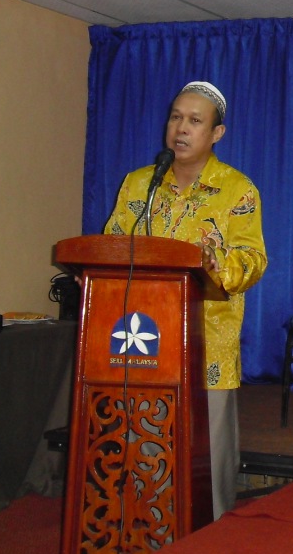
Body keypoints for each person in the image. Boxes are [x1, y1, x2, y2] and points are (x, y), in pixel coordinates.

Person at [104, 80, 268, 519]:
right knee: (141, 439)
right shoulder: (139, 184)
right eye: (176, 117)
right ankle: (143, 527)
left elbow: (254, 259)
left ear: (217, 134)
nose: (181, 128)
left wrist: (219, 265)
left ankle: (209, 540)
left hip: (205, 341)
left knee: (207, 454)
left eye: (195, 121)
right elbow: (113, 247)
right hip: (141, 338)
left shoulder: (238, 190)